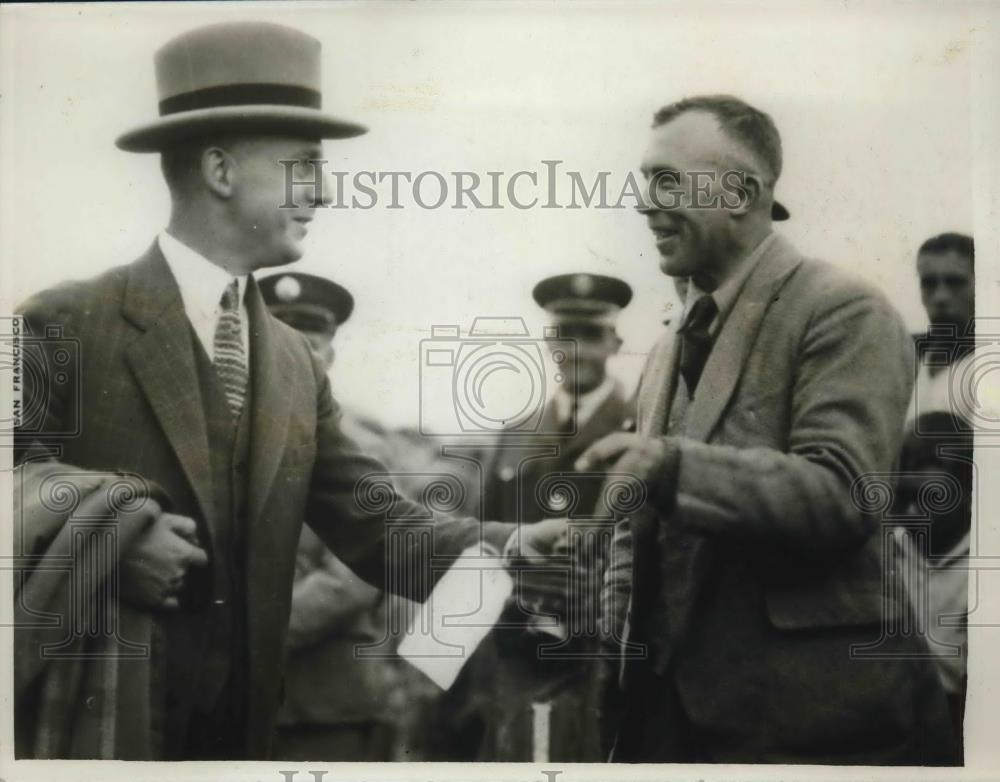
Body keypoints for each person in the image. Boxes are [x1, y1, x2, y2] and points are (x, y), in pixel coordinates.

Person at [13, 21, 563, 760]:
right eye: (305, 167)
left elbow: (376, 524)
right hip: (98, 738)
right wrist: (115, 537)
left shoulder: (295, 364)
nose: (324, 193)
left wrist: (516, 545)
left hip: (244, 738)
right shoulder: (61, 321)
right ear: (220, 170)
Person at [585, 94, 958, 764]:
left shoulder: (843, 310)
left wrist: (671, 468)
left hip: (813, 733)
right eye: (646, 181)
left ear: (741, 193)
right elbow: (635, 532)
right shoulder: (671, 340)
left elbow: (845, 493)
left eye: (667, 179)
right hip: (670, 729)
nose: (645, 202)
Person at [445, 273, 634, 762]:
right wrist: (444, 673)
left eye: (591, 336)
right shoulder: (515, 437)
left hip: (610, 660)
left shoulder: (642, 427)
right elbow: (483, 548)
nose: (576, 351)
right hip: (518, 658)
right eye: (563, 335)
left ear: (614, 341)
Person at [258, 272, 403, 761]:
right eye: (278, 341)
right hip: (237, 700)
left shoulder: (363, 446)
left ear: (329, 356)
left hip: (326, 703)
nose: (293, 359)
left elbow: (354, 577)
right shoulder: (230, 441)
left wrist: (253, 637)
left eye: (310, 345)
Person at [892, 233, 975, 753]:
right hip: (907, 551)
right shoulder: (903, 362)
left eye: (955, 282)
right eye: (929, 283)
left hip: (972, 558)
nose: (940, 296)